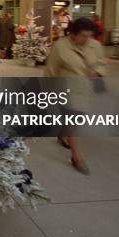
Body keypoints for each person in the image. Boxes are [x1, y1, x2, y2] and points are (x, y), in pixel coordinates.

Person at [45, 17, 105, 175]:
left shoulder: (95, 46)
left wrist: (98, 72)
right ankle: (76, 157)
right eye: (83, 36)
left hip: (86, 90)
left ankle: (62, 135)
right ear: (73, 34)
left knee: (77, 120)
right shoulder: (60, 46)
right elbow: (51, 71)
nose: (87, 39)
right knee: (73, 120)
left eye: (89, 36)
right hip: (67, 89)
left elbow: (101, 62)